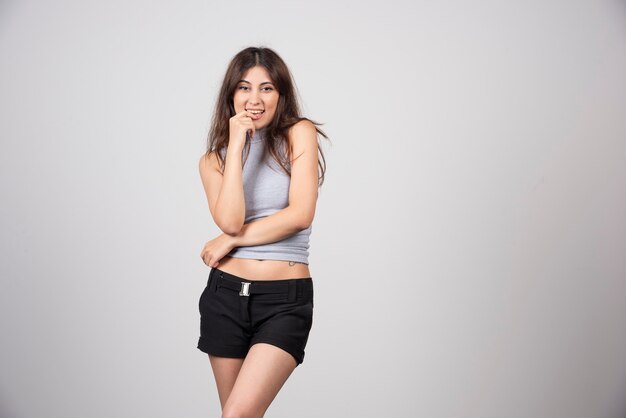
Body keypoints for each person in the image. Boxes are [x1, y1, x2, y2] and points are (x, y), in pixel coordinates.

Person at [197, 46, 328, 417]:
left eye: (267, 88)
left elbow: (300, 214)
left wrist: (232, 241)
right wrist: (237, 143)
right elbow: (231, 220)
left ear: (281, 95)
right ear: (231, 96)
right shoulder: (213, 161)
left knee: (238, 414)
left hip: (284, 299)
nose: (255, 99)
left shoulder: (298, 134)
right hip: (224, 297)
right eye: (244, 88)